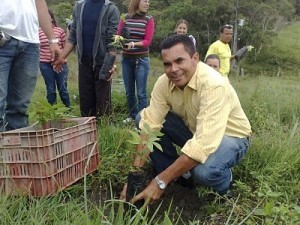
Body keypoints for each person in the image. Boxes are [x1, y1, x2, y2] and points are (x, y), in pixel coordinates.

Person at [120, 35, 252, 205]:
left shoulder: (213, 84)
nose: (173, 69)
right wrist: (134, 178)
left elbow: (202, 144)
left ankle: (225, 187)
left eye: (179, 61)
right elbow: (149, 126)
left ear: (195, 58)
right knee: (142, 118)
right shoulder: (164, 83)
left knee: (205, 171)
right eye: (167, 64)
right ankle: (179, 176)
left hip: (232, 137)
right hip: (196, 131)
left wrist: (160, 182)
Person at [0, 0, 61, 132]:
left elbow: (39, 4)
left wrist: (52, 39)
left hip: (29, 42)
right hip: (2, 37)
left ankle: (16, 151)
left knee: (20, 107)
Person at [54, 0, 119, 118]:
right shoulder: (79, 6)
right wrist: (61, 58)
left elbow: (113, 41)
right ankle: (87, 131)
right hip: (84, 61)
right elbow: (73, 36)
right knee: (85, 102)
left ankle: (105, 132)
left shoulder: (110, 8)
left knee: (103, 103)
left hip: (102, 62)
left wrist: (110, 65)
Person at [117, 0, 155, 124]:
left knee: (141, 93)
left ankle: (142, 121)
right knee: (129, 92)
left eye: (149, 2)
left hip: (141, 60)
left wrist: (133, 44)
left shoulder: (149, 19)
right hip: (127, 59)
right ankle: (132, 115)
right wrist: (120, 43)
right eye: (145, 1)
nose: (147, 4)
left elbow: (147, 42)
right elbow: (118, 36)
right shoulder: (125, 18)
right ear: (137, 2)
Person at [39, 10, 71, 108]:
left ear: (52, 18)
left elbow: (66, 47)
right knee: (50, 89)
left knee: (63, 88)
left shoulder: (60, 31)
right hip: (45, 65)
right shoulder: (38, 32)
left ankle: (68, 108)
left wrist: (62, 59)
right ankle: (52, 111)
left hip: (60, 64)